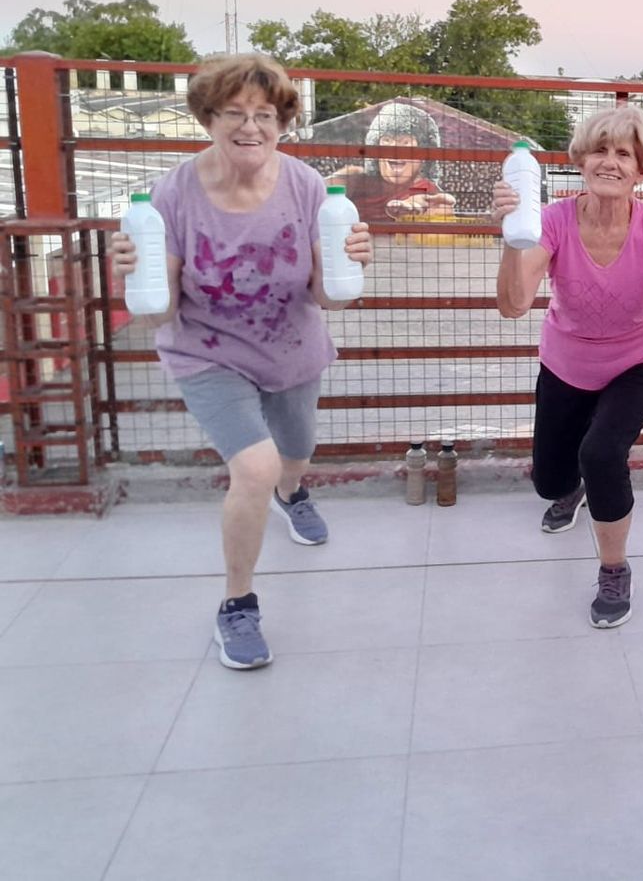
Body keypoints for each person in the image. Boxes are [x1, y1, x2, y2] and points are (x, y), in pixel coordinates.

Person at [108, 53, 373, 670]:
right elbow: (157, 313)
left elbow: (326, 296)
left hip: (290, 346)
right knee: (252, 467)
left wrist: (350, 263)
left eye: (264, 114)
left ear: (282, 123)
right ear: (208, 118)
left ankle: (293, 490)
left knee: (293, 453)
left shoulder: (309, 188)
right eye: (234, 113)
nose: (250, 126)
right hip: (207, 351)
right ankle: (237, 604)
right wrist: (130, 273)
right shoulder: (172, 197)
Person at [491, 105, 643, 628]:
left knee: (602, 452)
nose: (610, 162)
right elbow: (514, 304)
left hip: (639, 359)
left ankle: (614, 570)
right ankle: (570, 487)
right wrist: (508, 235)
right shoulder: (554, 220)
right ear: (581, 160)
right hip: (567, 361)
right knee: (549, 480)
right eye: (600, 150)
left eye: (624, 154)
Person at [328, 101, 456, 220]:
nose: (394, 150)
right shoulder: (355, 178)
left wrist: (412, 208)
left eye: (405, 142)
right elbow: (318, 191)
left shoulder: (424, 188)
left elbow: (426, 201)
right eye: (387, 140)